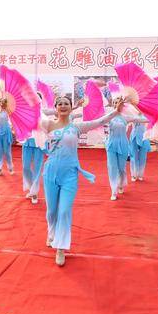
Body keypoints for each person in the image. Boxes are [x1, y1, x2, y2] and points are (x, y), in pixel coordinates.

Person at [41, 95, 125, 266]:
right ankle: (51, 232)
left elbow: (101, 120)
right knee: (51, 211)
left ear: (71, 108)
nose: (63, 106)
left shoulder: (77, 127)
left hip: (70, 174)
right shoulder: (47, 125)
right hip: (50, 172)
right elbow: (29, 118)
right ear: (55, 107)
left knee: (64, 211)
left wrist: (116, 111)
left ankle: (61, 248)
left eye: (66, 104)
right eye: (60, 104)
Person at [105, 99, 148, 201]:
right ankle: (113, 190)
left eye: (119, 103)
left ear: (122, 106)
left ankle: (121, 184)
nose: (116, 105)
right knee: (112, 167)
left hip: (123, 144)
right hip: (111, 145)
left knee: (121, 168)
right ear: (113, 104)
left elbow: (143, 119)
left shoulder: (126, 117)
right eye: (115, 103)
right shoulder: (108, 117)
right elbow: (98, 121)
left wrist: (138, 106)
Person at [129, 114, 151, 182]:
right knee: (134, 156)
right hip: (134, 136)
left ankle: (140, 174)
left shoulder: (146, 114)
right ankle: (134, 174)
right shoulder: (131, 112)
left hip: (144, 136)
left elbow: (149, 121)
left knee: (142, 156)